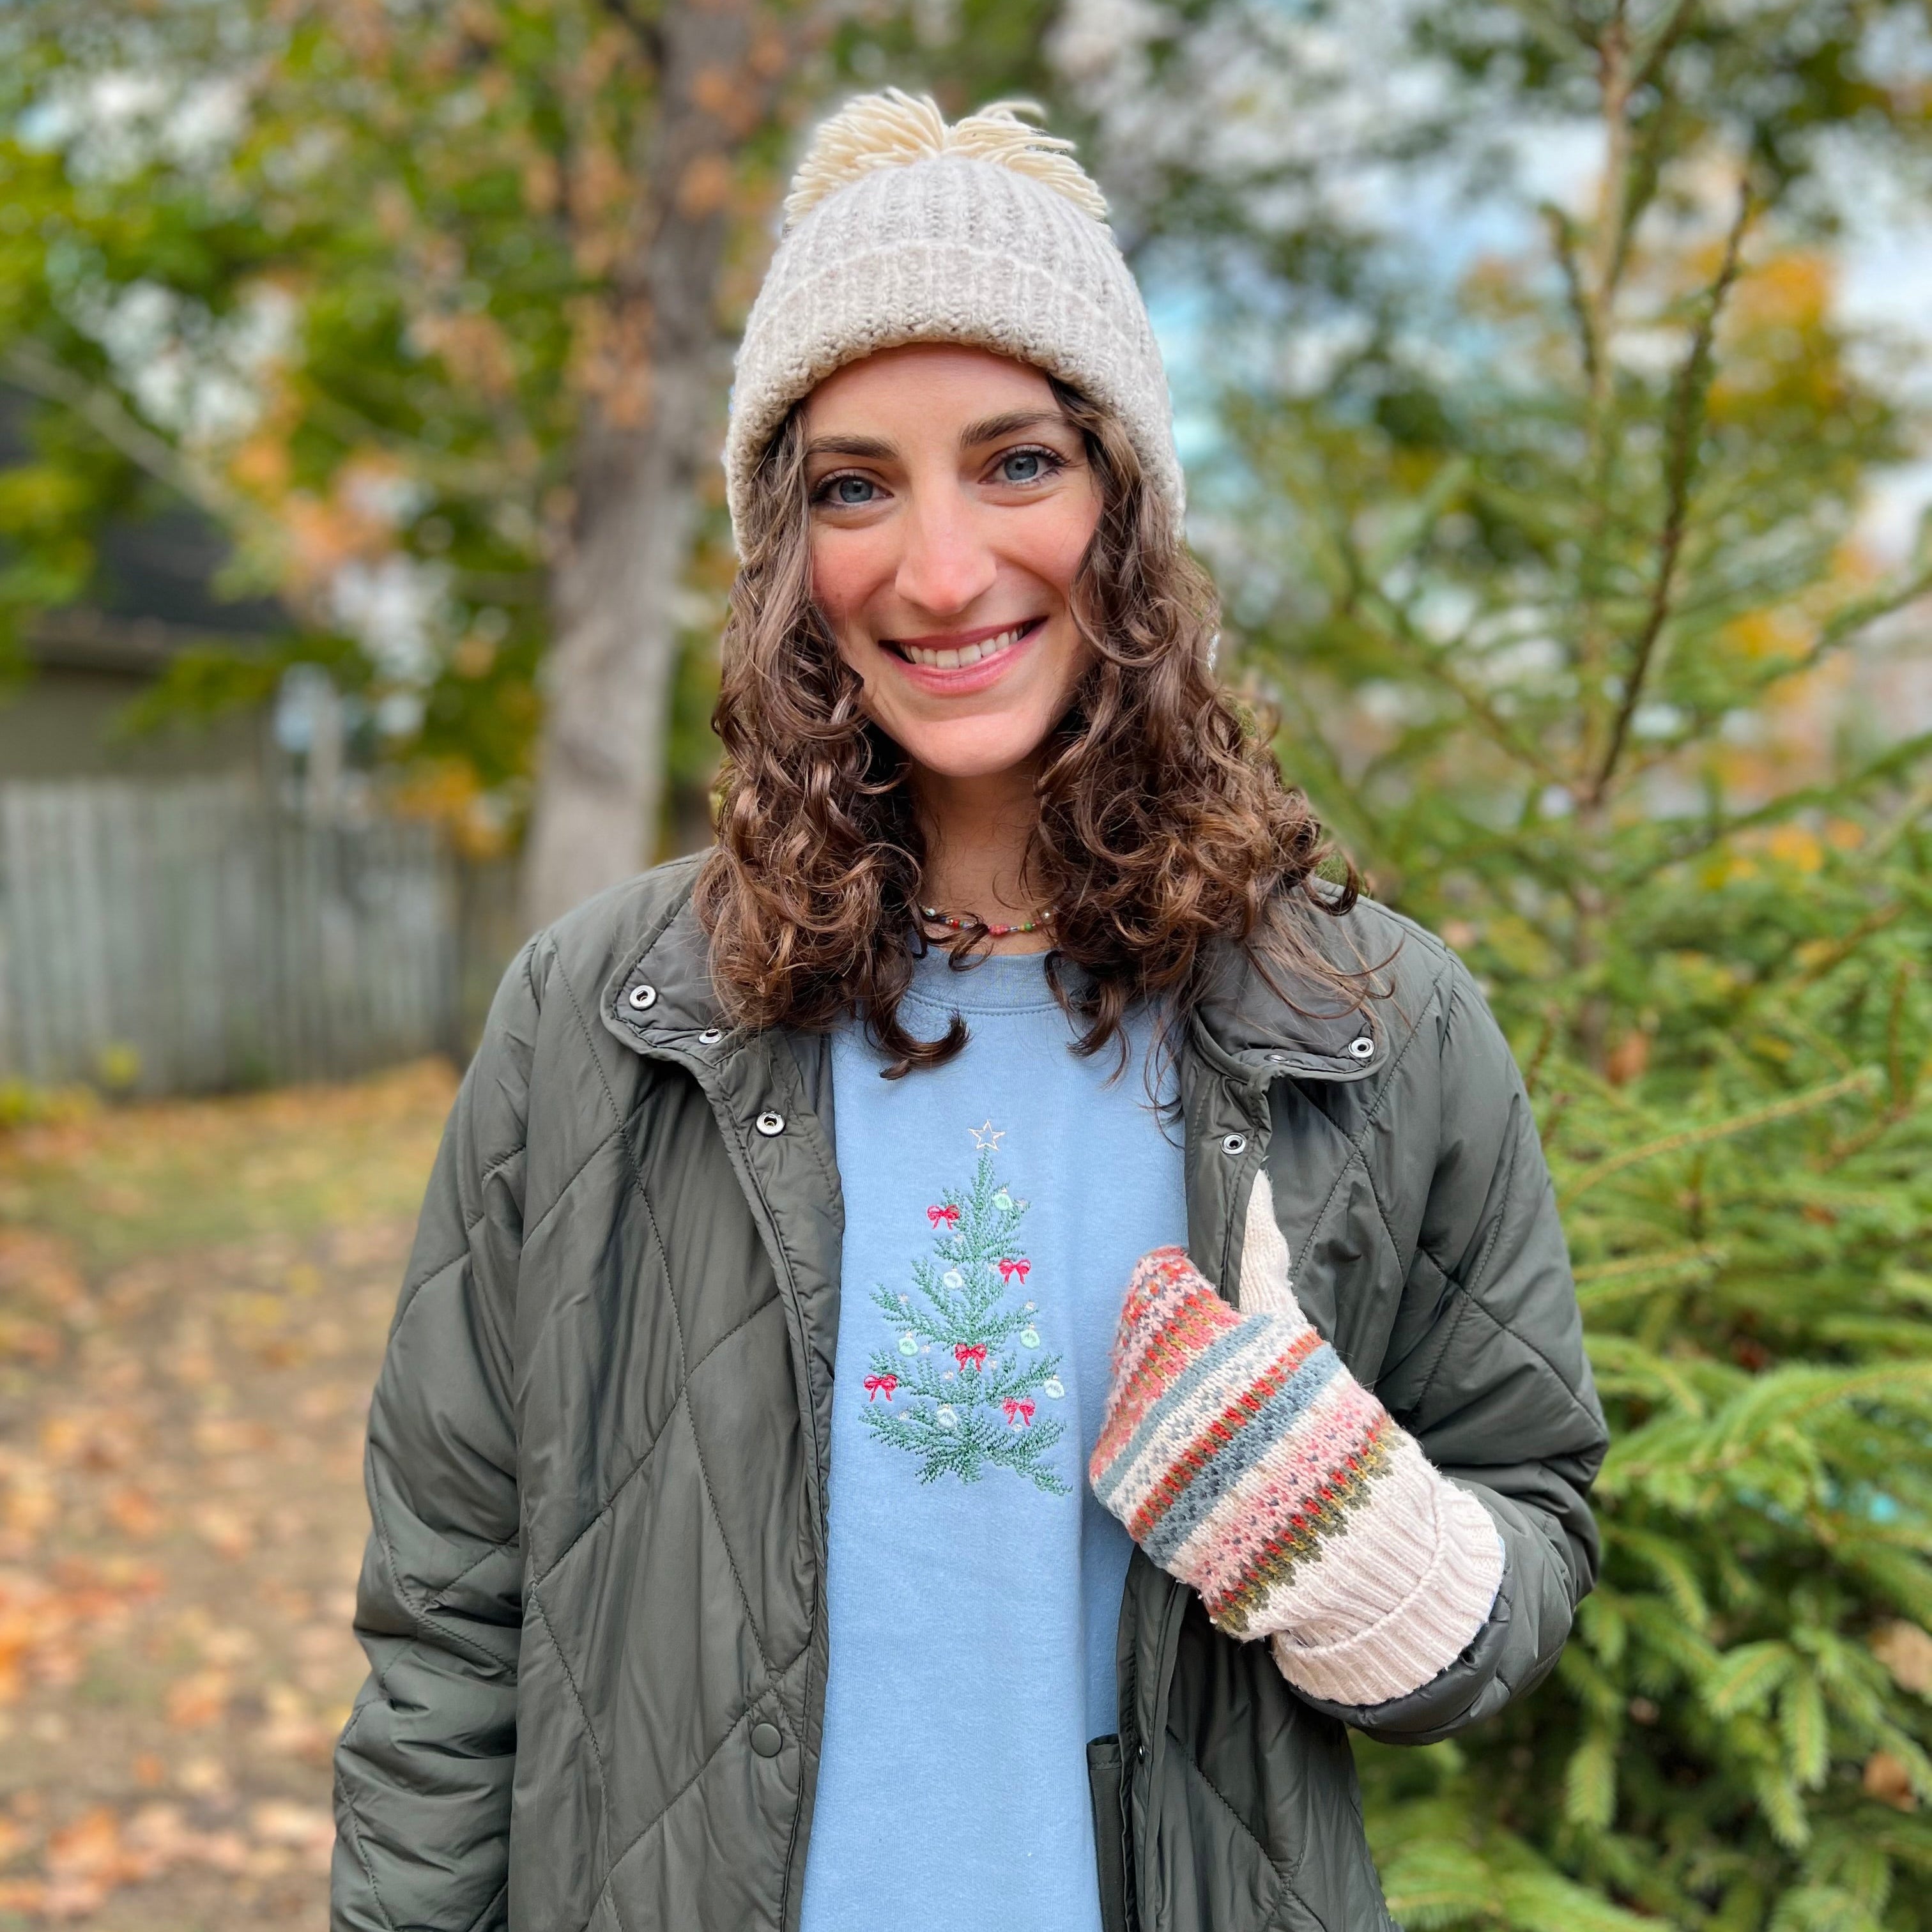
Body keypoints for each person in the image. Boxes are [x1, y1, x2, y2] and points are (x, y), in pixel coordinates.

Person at [330, 91, 1607, 1932]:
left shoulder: (1366, 1020)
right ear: (786, 550)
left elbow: (1531, 1526)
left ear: (1128, 502)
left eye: (1017, 463)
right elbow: (449, 1619)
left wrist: (1370, 1556)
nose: (938, 572)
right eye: (855, 485)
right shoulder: (605, 1019)